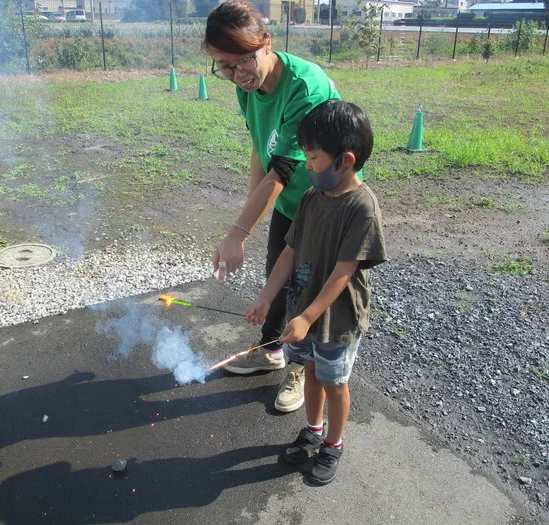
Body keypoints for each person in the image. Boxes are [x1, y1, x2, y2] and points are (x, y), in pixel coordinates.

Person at [204, 0, 341, 413]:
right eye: (223, 67)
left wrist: (237, 232)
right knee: (275, 277)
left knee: (306, 284)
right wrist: (250, 214)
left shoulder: (304, 86)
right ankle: (271, 350)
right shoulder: (247, 90)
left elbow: (281, 170)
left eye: (243, 61)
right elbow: (260, 153)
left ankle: (301, 367)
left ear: (266, 43)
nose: (236, 75)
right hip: (284, 195)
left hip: (326, 200)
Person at [244, 99, 387, 485]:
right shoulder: (311, 197)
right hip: (305, 312)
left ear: (344, 160)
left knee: (335, 382)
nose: (306, 166)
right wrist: (268, 295)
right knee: (310, 370)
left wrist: (308, 317)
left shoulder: (362, 207)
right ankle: (314, 428)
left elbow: (344, 271)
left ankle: (333, 444)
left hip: (336, 319)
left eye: (313, 158)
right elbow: (289, 251)